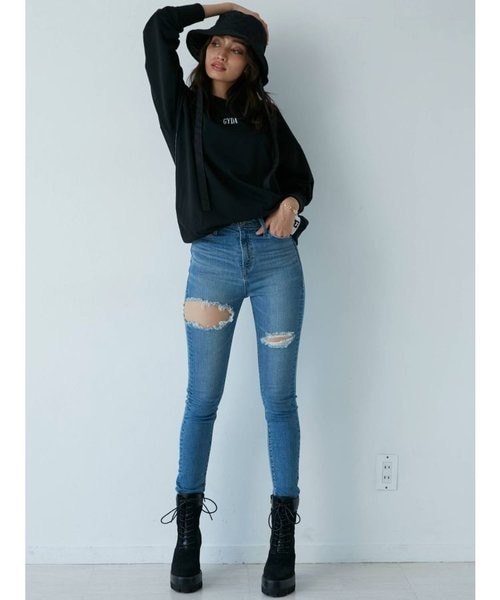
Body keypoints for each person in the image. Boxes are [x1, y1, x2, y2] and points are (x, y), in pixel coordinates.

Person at [143, 3, 314, 596]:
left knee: (279, 401)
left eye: (237, 49)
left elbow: (300, 178)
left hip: (274, 263)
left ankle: (283, 542)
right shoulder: (182, 109)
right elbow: (158, 28)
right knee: (202, 400)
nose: (222, 53)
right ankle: (187, 539)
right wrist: (225, 8)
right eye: (217, 43)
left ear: (250, 65)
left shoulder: (266, 114)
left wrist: (290, 204)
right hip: (212, 263)